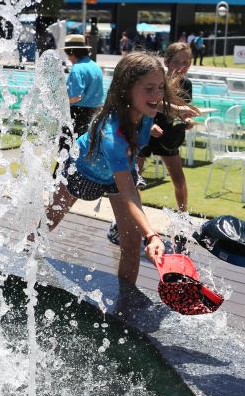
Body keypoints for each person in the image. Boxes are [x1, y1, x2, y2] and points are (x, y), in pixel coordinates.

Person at [43, 51, 169, 284]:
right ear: (127, 88)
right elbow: (129, 193)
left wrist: (177, 113)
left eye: (160, 87)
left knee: (131, 244)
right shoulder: (113, 135)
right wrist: (151, 235)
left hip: (117, 173)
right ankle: (20, 259)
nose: (158, 95)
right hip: (82, 171)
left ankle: (125, 306)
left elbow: (159, 106)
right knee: (49, 221)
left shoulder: (145, 108)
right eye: (150, 88)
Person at [136, 42, 200, 209]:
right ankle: (134, 217)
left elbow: (179, 113)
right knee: (135, 177)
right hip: (145, 129)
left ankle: (183, 217)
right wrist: (148, 127)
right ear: (166, 62)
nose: (183, 67)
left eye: (187, 63)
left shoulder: (186, 84)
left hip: (168, 135)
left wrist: (186, 121)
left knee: (179, 180)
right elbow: (140, 106)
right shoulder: (155, 80)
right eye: (178, 62)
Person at [56, 34, 105, 161]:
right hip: (93, 114)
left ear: (72, 52)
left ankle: (59, 179)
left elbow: (76, 96)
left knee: (65, 150)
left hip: (77, 114)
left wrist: (59, 101)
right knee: (84, 151)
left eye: (68, 54)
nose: (69, 58)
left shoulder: (77, 68)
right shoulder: (96, 67)